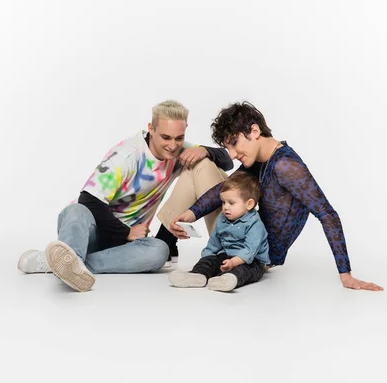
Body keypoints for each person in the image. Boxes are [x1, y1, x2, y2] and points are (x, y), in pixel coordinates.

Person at [16, 100, 233, 292]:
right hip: (88, 231)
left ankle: (69, 263)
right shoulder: (128, 154)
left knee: (159, 251)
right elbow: (88, 200)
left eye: (179, 138)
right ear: (151, 128)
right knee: (76, 210)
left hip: (122, 247)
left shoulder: (177, 151)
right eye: (165, 137)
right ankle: (68, 256)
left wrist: (206, 150)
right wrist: (127, 231)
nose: (173, 145)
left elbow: (227, 161)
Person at [168, 101, 384, 291]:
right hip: (238, 234)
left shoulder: (286, 166)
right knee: (218, 179)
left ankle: (171, 247)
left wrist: (345, 274)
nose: (232, 155)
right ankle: (174, 245)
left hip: (257, 253)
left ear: (254, 131)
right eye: (227, 148)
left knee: (205, 168)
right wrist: (189, 215)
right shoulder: (257, 159)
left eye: (234, 143)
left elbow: (327, 213)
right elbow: (224, 189)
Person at [168, 171, 269, 292]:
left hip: (251, 260)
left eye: (231, 203)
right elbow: (215, 242)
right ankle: (198, 275)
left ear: (249, 204)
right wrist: (206, 259)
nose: (225, 207)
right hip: (226, 255)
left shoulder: (254, 223)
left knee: (246, 270)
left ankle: (230, 279)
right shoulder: (222, 218)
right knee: (210, 261)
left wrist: (233, 262)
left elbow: (250, 250)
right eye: (223, 202)